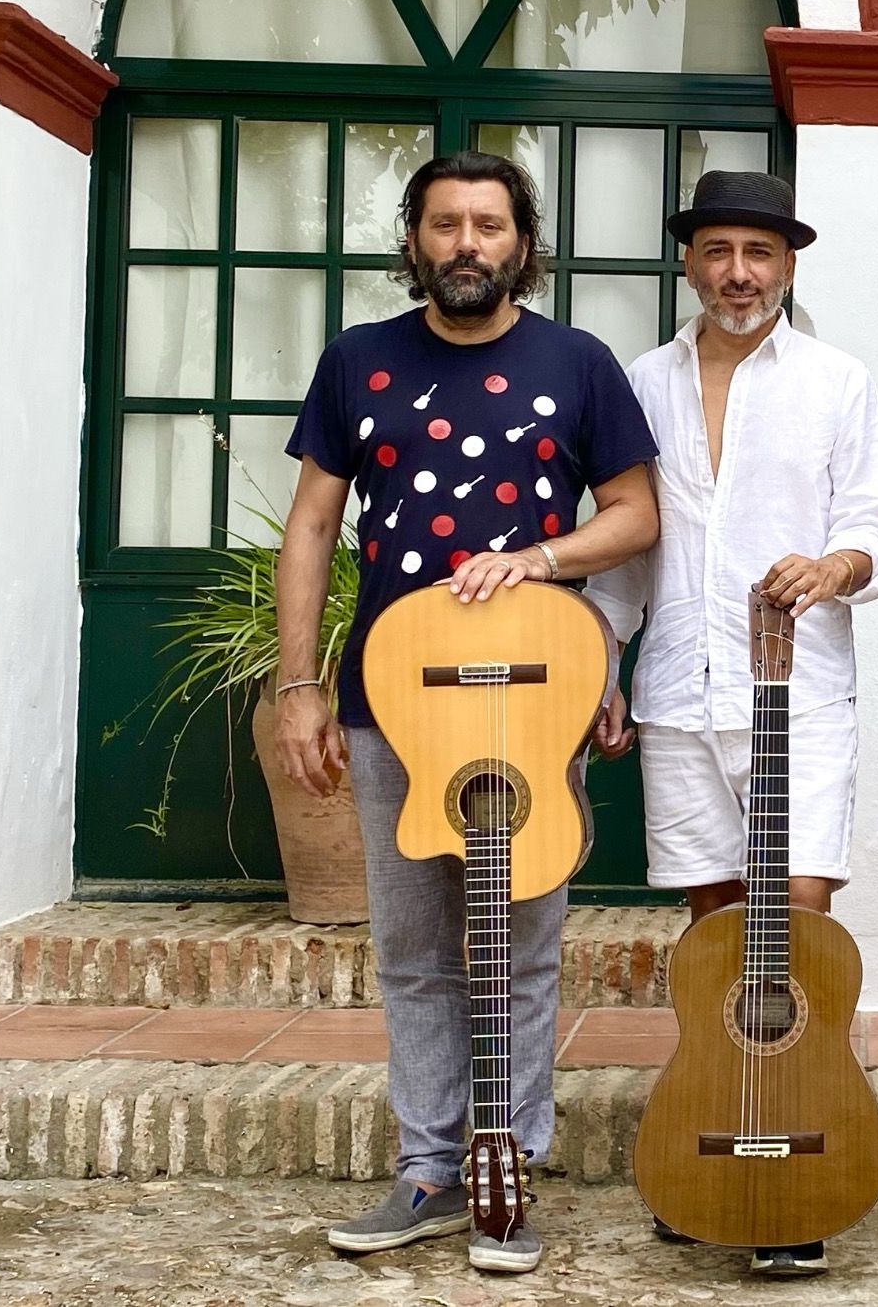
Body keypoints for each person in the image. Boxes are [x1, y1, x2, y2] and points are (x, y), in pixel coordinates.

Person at [274, 150, 659, 1275]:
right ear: (415, 242)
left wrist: (542, 560)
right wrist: (300, 684)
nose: (466, 246)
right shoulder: (359, 362)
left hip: (537, 699)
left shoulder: (577, 363)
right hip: (388, 699)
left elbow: (635, 515)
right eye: (445, 225)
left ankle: (505, 1166)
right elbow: (309, 527)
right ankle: (429, 1171)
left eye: (488, 225)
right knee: (410, 945)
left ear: (521, 242)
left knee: (521, 942)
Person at [586, 171, 878, 1278]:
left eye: (758, 254)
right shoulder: (641, 384)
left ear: (789, 265)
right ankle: (717, 1147)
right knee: (717, 931)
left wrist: (835, 563)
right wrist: (600, 664)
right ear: (688, 261)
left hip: (796, 690)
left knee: (797, 924)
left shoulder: (835, 380)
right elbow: (625, 541)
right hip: (677, 689)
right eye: (717, 251)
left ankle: (799, 1167)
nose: (737, 273)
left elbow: (876, 523)